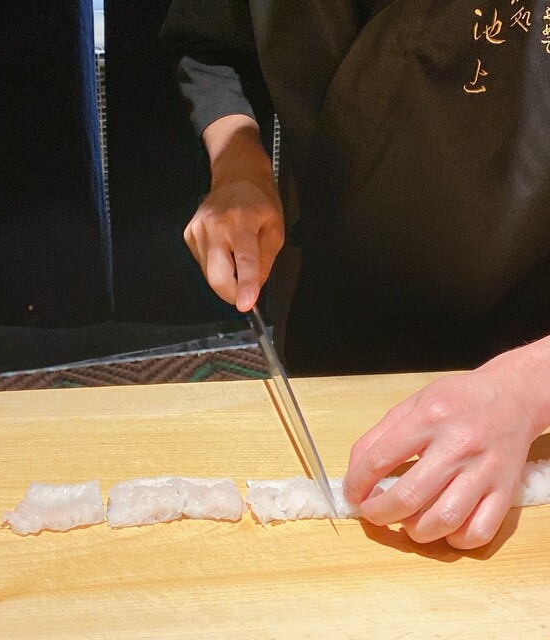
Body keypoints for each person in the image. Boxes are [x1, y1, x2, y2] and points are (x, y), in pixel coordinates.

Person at [160, 0, 550, 549]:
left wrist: (527, 389)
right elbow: (210, 43)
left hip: (529, 326)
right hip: (335, 301)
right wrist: (237, 161)